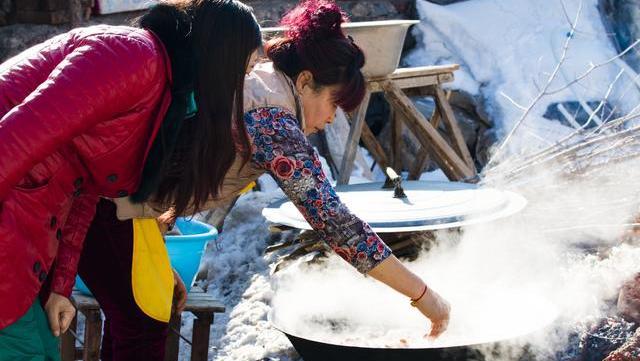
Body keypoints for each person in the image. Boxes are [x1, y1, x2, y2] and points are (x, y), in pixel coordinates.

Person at [116, 0, 451, 340]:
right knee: (141, 336)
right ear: (305, 82)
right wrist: (423, 296)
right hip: (106, 202)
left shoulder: (260, 85)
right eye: (334, 103)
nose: (333, 118)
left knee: (142, 327)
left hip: (122, 207)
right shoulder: (271, 115)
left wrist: (156, 258)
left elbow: (172, 163)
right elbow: (334, 221)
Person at [0, 0, 261, 359]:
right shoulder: (130, 57)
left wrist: (61, 284)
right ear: (222, 59)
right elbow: (12, 141)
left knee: (44, 349)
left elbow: (86, 187)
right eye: (243, 72)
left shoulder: (167, 95)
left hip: (27, 233)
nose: (240, 89)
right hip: (9, 220)